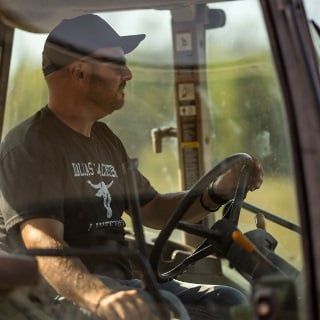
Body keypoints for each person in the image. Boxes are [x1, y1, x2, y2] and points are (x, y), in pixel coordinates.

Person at [0, 14, 264, 320]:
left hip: (125, 283)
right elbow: (42, 243)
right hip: (64, 295)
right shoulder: (31, 145)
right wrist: (100, 298)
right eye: (117, 64)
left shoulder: (105, 139)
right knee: (170, 311)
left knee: (228, 300)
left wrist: (219, 191)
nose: (128, 74)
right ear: (80, 72)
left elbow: (152, 209)